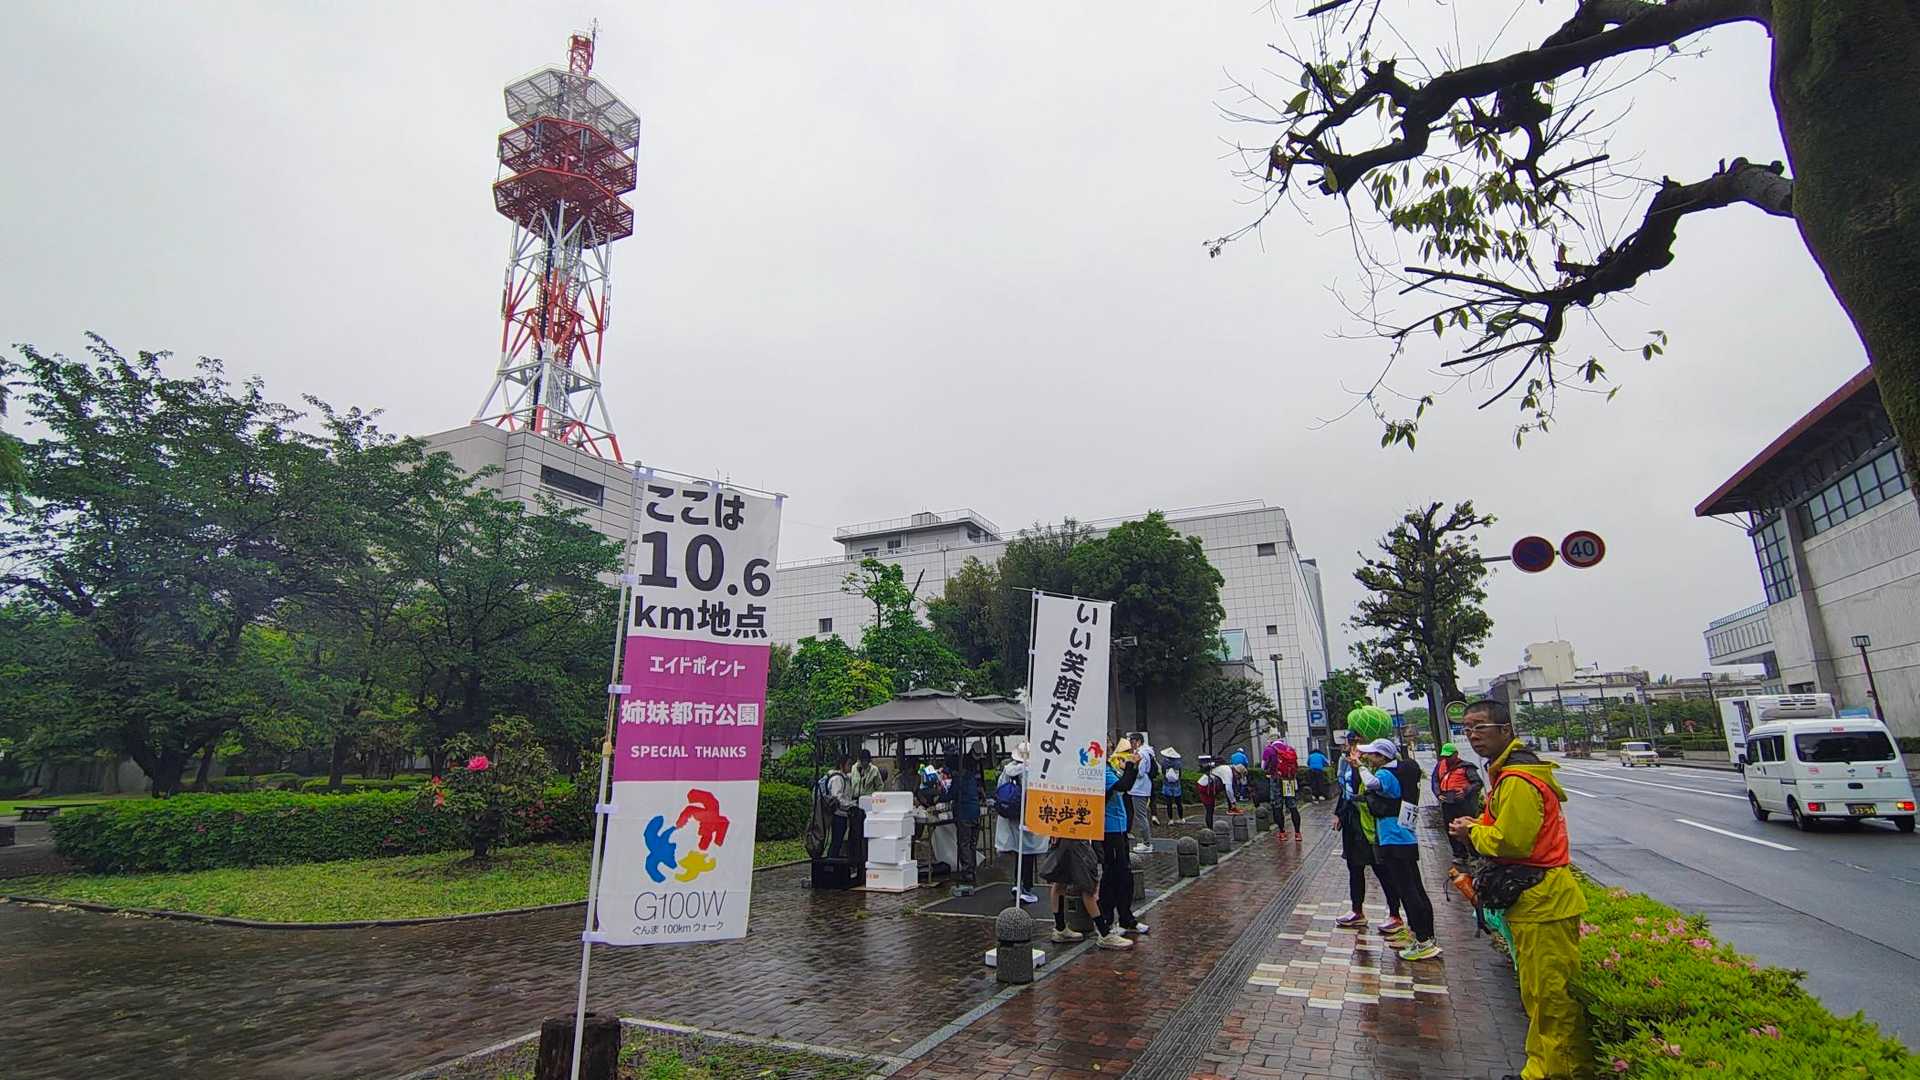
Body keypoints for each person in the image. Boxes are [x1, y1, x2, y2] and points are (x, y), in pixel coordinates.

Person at [1447, 700, 1589, 1080]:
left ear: (1505, 729)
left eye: (1480, 727)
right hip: (1535, 899)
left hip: (1543, 899)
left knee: (1551, 998)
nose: (1473, 735)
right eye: (1467, 729)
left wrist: (1472, 831)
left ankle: (1559, 1072)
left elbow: (1513, 842)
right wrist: (1479, 825)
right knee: (1537, 993)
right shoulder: (1508, 773)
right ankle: (1539, 1069)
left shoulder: (1518, 779)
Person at [1357, 738, 1440, 960]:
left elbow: (1371, 784)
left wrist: (1360, 766)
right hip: (1406, 836)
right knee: (1416, 888)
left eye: (1372, 754)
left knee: (1407, 890)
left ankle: (1422, 940)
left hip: (1392, 837)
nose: (1368, 757)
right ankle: (1426, 936)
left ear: (1382, 757)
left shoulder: (1386, 773)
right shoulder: (1402, 772)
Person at [1332, 710, 1402, 932]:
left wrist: (1360, 765)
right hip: (1352, 818)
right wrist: (1339, 814)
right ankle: (1357, 910)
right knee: (1354, 866)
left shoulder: (1375, 761)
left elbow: (1374, 788)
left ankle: (1395, 913)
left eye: (1353, 740)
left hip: (1370, 821)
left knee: (1381, 867)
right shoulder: (1346, 761)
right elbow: (1345, 789)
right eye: (1349, 741)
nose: (1350, 745)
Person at [1099, 739, 1148, 943]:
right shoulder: (1099, 770)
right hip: (1108, 828)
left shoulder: (1110, 766)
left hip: (1118, 827)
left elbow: (1125, 785)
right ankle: (1107, 920)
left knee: (1125, 873)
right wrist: (1130, 765)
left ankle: (1126, 918)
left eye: (1110, 744)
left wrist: (1131, 766)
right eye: (1106, 744)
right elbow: (1123, 785)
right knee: (1112, 874)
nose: (1109, 747)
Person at [993, 742, 1047, 904]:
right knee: (1029, 852)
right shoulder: (1031, 770)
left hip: (1012, 816)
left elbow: (999, 788)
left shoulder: (1007, 770)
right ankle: (1026, 887)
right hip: (1027, 816)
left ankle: (1017, 883)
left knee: (1018, 851)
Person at [1040, 838, 1117, 948]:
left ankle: (1060, 928)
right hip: (1074, 838)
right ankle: (1104, 933)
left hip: (1070, 837)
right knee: (1086, 884)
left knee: (1061, 882)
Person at [1432, 742, 1485, 859]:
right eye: (1445, 756)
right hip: (1447, 802)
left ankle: (1475, 855)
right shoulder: (1440, 766)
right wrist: (1438, 794)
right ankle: (1459, 854)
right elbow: (1435, 781)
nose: (1447, 759)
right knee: (1451, 828)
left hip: (1463, 803)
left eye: (1449, 756)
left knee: (1467, 828)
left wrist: (1465, 791)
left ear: (1456, 754)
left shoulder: (1466, 767)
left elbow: (1477, 783)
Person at [950, 750, 986, 892]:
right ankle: (972, 868)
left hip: (964, 814)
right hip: (975, 813)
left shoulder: (959, 779)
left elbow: (951, 794)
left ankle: (967, 871)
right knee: (972, 843)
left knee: (964, 843)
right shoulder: (972, 777)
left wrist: (938, 798)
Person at [818, 756, 853, 860]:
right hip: (838, 814)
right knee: (836, 841)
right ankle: (831, 862)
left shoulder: (844, 778)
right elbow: (837, 798)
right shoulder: (837, 779)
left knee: (838, 841)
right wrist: (851, 805)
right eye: (848, 764)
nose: (850, 767)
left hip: (842, 814)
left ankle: (833, 861)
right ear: (842, 765)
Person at [1128, 731, 1157, 853]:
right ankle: (1145, 841)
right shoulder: (1147, 752)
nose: (1130, 743)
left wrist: (1131, 768)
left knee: (1141, 816)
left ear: (1138, 741)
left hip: (1139, 788)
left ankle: (1147, 843)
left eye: (1132, 741)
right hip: (1142, 787)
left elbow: (1140, 772)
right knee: (1141, 816)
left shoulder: (1141, 753)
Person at [1269, 738, 1302, 840]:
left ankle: (1282, 832)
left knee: (1278, 806)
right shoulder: (1289, 750)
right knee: (1292, 806)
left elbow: (1266, 765)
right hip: (1288, 779)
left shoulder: (1271, 750)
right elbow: (1296, 766)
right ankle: (1298, 833)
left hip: (1277, 780)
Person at [1158, 745, 1185, 823]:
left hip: (1167, 784)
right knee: (1179, 803)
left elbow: (1163, 773)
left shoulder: (1164, 763)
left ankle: (1170, 819)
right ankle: (1181, 818)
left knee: (1169, 803)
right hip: (1177, 785)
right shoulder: (1178, 763)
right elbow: (1180, 774)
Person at [1196, 754, 1220, 830]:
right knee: (1209, 811)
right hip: (1207, 793)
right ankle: (1210, 827)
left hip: (1208, 793)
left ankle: (1210, 826)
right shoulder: (1210, 775)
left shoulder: (1209, 774)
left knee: (1210, 811)